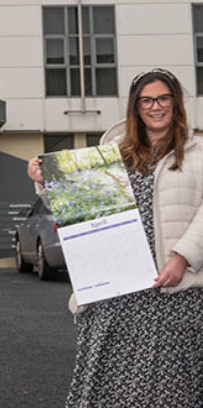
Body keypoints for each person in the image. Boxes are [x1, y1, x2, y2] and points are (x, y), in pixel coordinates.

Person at [27, 68, 203, 406]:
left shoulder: (196, 155)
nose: (156, 106)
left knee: (173, 390)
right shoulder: (111, 156)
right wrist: (42, 180)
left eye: (164, 98)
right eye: (147, 100)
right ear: (135, 108)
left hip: (174, 294)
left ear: (176, 104)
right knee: (111, 387)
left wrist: (182, 258)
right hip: (117, 293)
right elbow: (78, 209)